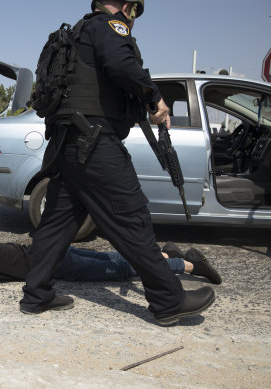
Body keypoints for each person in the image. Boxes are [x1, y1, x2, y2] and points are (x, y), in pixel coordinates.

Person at [19, 0, 215, 325]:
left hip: (67, 144)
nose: (133, 18)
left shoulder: (78, 34)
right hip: (94, 143)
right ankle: (169, 300)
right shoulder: (108, 26)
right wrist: (155, 98)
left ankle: (36, 294)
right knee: (132, 218)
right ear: (127, 7)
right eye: (134, 11)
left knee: (57, 224)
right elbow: (122, 65)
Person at [0, 221, 221, 293]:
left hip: (55, 262)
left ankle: (188, 264)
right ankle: (166, 254)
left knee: (120, 270)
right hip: (50, 251)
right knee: (117, 259)